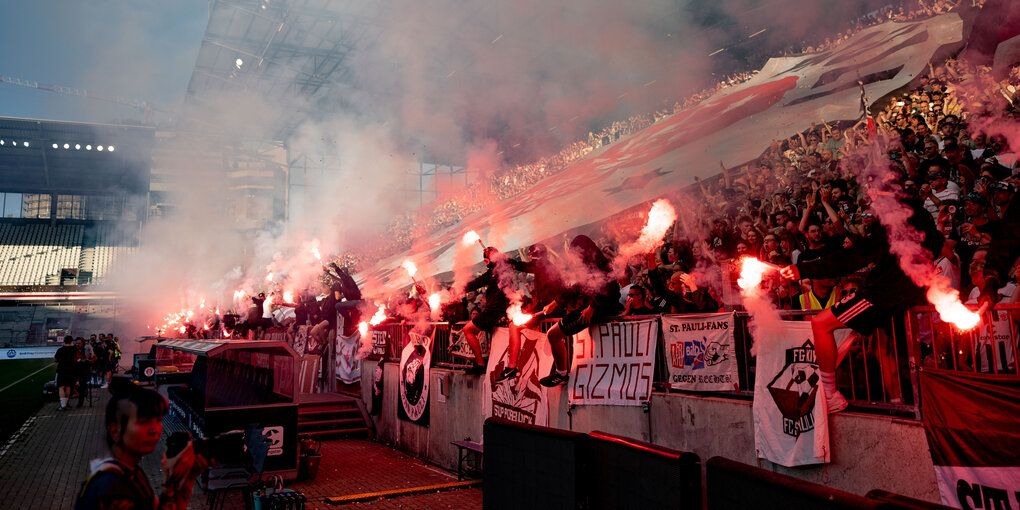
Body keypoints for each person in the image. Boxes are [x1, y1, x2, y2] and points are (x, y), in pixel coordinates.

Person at [779, 200, 942, 413]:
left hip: (884, 295)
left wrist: (804, 270)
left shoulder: (895, 228)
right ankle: (907, 403)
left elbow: (854, 257)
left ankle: (830, 394)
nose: (874, 210)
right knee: (895, 353)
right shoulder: (919, 230)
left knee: (821, 323)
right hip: (902, 296)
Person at [75, 377, 208, 510]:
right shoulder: (114, 488)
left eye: (158, 420)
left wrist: (185, 479)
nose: (154, 430)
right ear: (115, 431)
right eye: (143, 422)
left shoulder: (127, 472)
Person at [540, 235, 621, 387]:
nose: (575, 256)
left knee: (553, 334)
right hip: (594, 307)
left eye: (576, 252)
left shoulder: (601, 263)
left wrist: (592, 306)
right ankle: (561, 372)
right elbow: (577, 287)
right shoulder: (588, 264)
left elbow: (608, 286)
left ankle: (561, 374)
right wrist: (555, 302)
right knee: (553, 334)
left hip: (599, 308)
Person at [497, 243, 565, 382]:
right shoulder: (546, 267)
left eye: (531, 255)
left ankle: (512, 367)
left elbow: (524, 266)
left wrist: (509, 262)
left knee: (514, 326)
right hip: (547, 308)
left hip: (550, 310)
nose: (529, 258)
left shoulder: (543, 267)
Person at [460, 247, 511, 375]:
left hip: (494, 311)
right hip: (496, 311)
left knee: (467, 329)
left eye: (487, 259)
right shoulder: (498, 270)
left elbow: (476, 283)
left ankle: (480, 364)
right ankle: (486, 364)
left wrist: (459, 288)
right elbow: (475, 283)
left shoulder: (498, 270)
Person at [54, 336, 77, 411]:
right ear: (71, 341)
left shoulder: (61, 349)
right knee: (68, 387)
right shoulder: (74, 349)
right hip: (71, 370)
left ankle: (63, 406)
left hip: (62, 369)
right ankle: (66, 403)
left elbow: (55, 359)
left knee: (61, 387)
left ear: (64, 341)